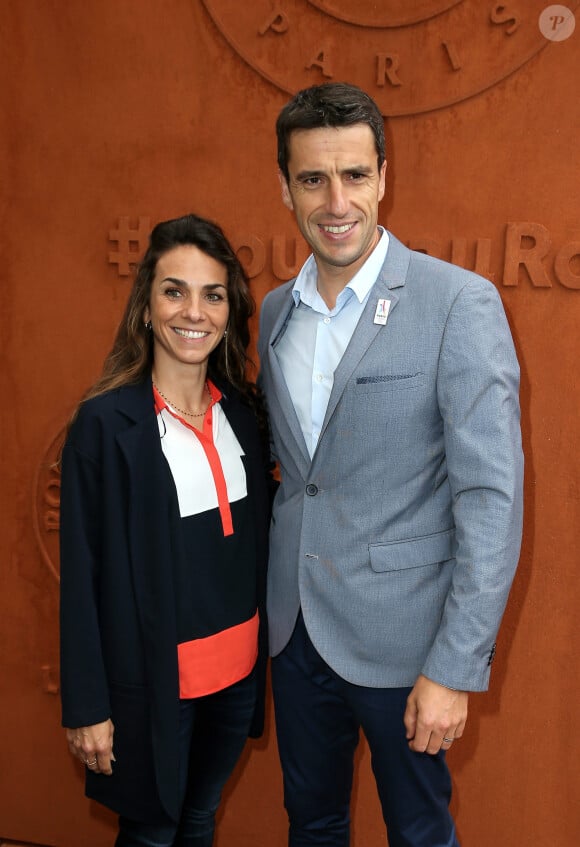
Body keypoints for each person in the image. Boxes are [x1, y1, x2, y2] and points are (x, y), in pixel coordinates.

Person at [258, 82, 523, 846]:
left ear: (383, 177)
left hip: (409, 646)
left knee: (418, 832)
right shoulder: (275, 311)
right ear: (285, 187)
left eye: (354, 175)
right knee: (311, 824)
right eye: (313, 178)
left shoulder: (456, 303)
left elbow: (490, 497)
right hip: (296, 633)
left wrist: (456, 665)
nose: (335, 201)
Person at [59, 213, 271, 846]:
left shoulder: (244, 412)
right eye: (174, 291)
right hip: (155, 685)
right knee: (152, 833)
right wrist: (87, 706)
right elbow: (82, 576)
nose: (194, 312)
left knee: (200, 818)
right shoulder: (104, 426)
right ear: (146, 307)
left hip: (236, 676)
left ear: (229, 311)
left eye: (212, 295)